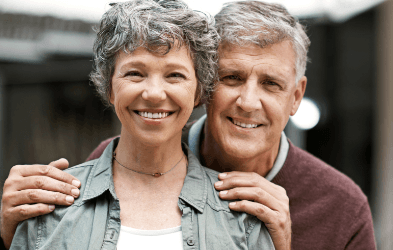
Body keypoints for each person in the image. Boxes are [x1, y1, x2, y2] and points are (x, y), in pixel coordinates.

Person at [1, 1, 376, 250]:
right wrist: (8, 230)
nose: (248, 102)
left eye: (271, 84)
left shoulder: (342, 207)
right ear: (207, 85)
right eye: (232, 78)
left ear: (296, 97)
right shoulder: (109, 165)